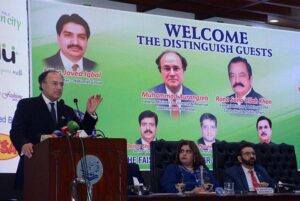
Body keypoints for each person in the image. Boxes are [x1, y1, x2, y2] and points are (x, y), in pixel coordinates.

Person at [10, 70, 102, 191]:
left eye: (61, 84)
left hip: (63, 174)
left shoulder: (67, 110)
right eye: (54, 83)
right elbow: (17, 131)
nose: (59, 87)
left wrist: (89, 113)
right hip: (34, 168)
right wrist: (23, 144)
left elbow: (82, 133)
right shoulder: (27, 105)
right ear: (43, 85)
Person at [150, 50, 196, 117]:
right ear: (160, 71)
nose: (172, 74)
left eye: (176, 68)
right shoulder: (150, 96)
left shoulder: (195, 99)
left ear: (183, 70)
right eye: (167, 68)